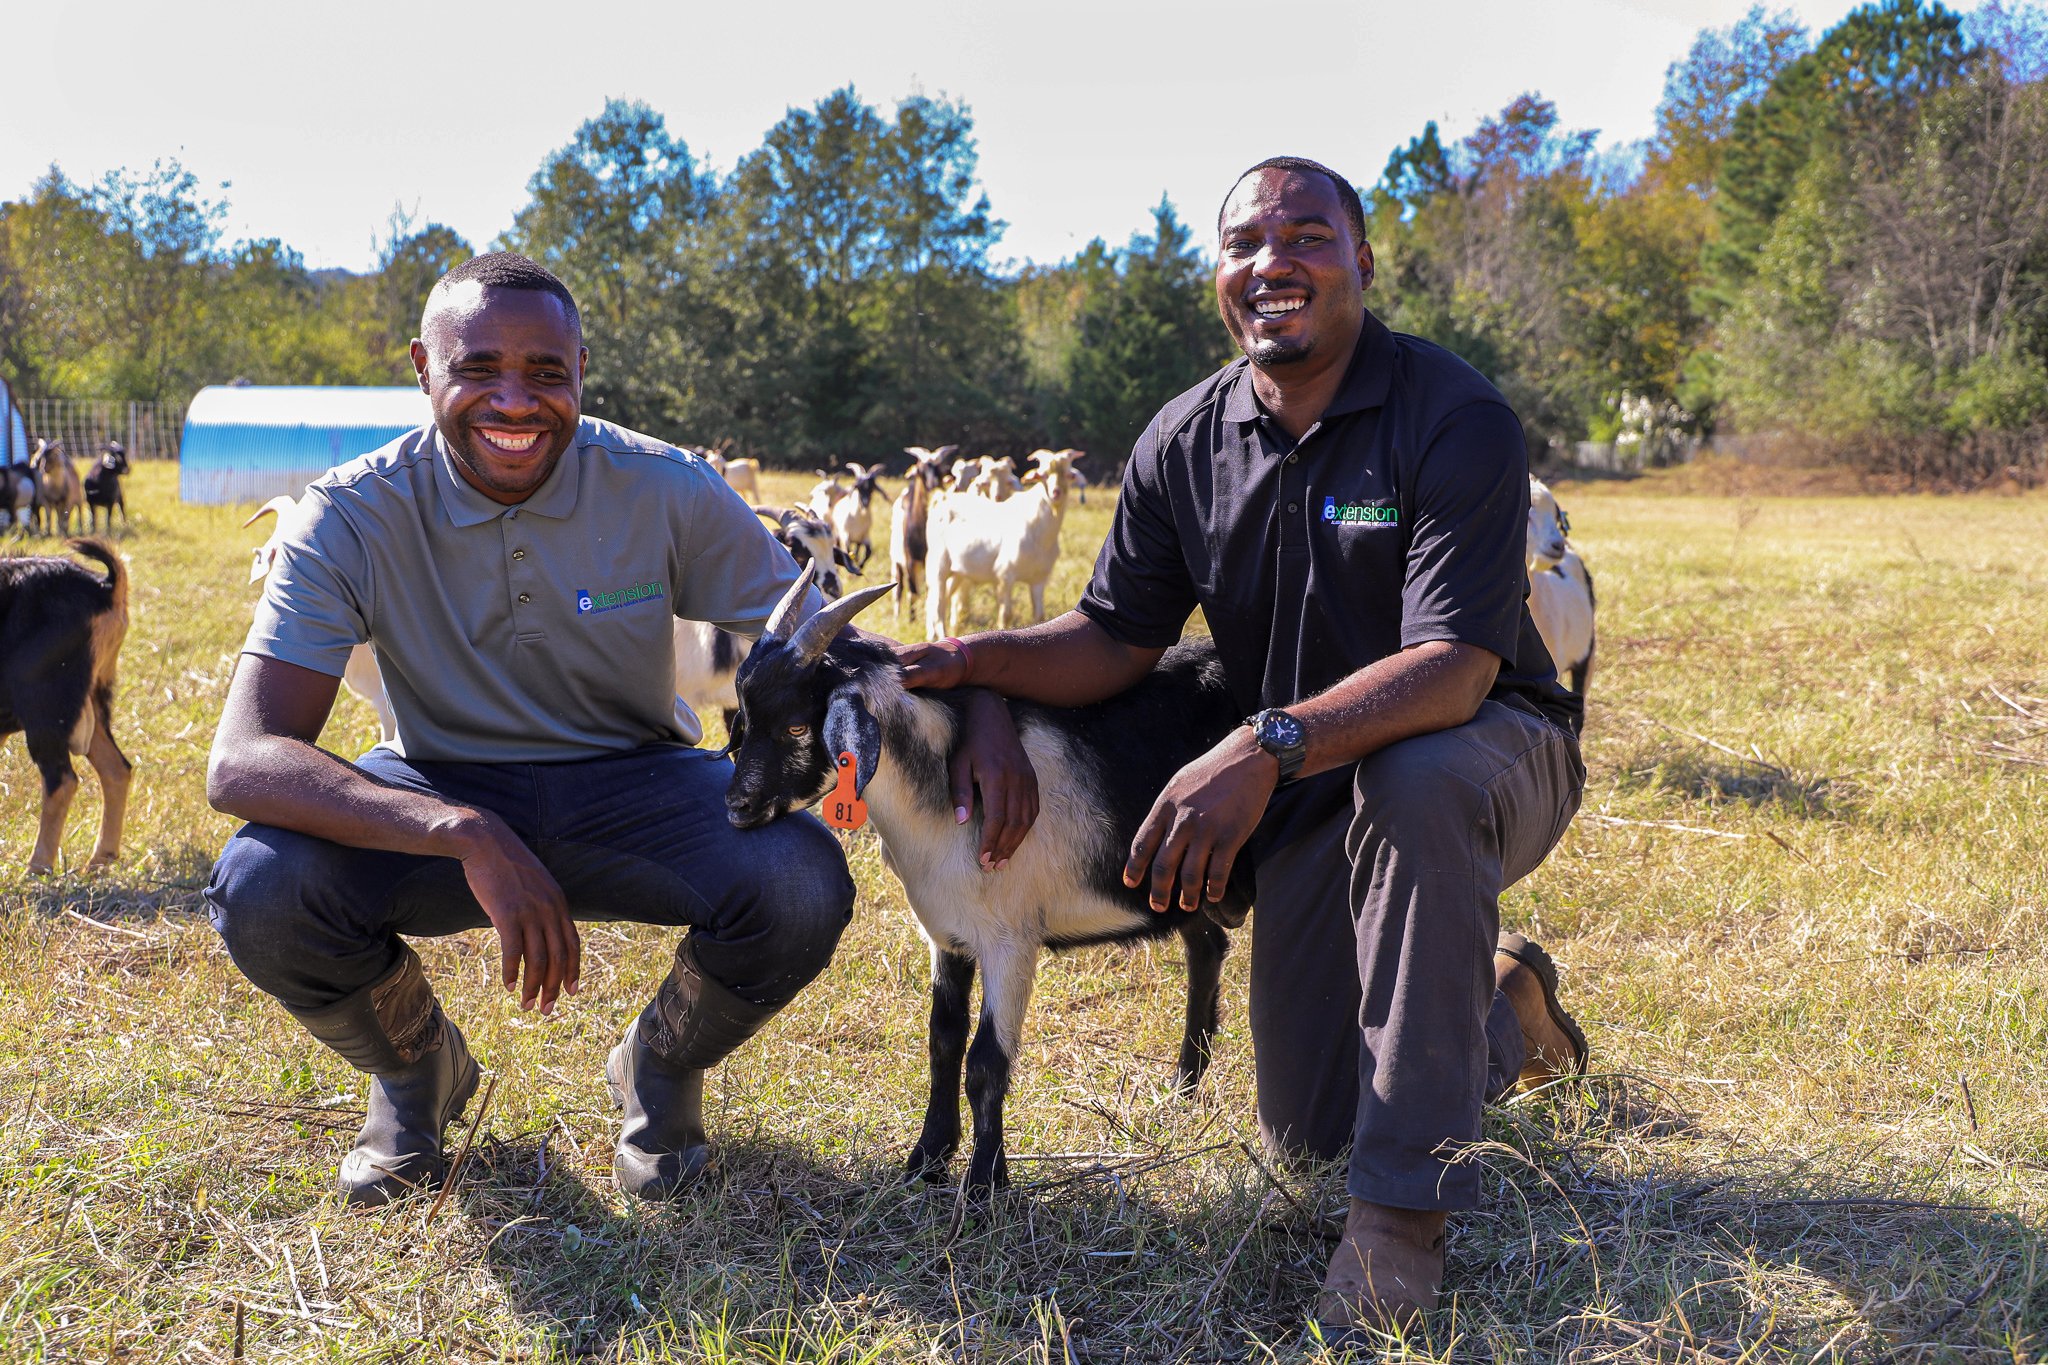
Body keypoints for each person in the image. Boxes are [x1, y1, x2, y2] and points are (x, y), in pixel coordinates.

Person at [894, 158, 1590, 1336]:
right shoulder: (1185, 437)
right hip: (1312, 775)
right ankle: (1502, 1004)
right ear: (1220, 278)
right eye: (1243, 244)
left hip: (1484, 746)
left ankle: (1400, 1223)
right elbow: (1114, 638)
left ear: (1361, 262)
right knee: (1310, 1131)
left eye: (1305, 236)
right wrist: (977, 668)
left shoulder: (1452, 417)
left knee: (1411, 784)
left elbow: (1454, 667)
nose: (1271, 263)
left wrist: (1263, 742)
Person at [203, 253, 855, 1207]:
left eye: (547, 372)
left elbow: (830, 641)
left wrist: (971, 705)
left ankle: (660, 1065)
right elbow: (243, 760)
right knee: (262, 887)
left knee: (800, 878)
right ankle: (417, 1072)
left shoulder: (664, 485)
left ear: (582, 369)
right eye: (478, 369)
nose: (516, 401)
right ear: (422, 367)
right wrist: (459, 829)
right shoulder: (348, 513)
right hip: (438, 783)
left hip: (641, 782)